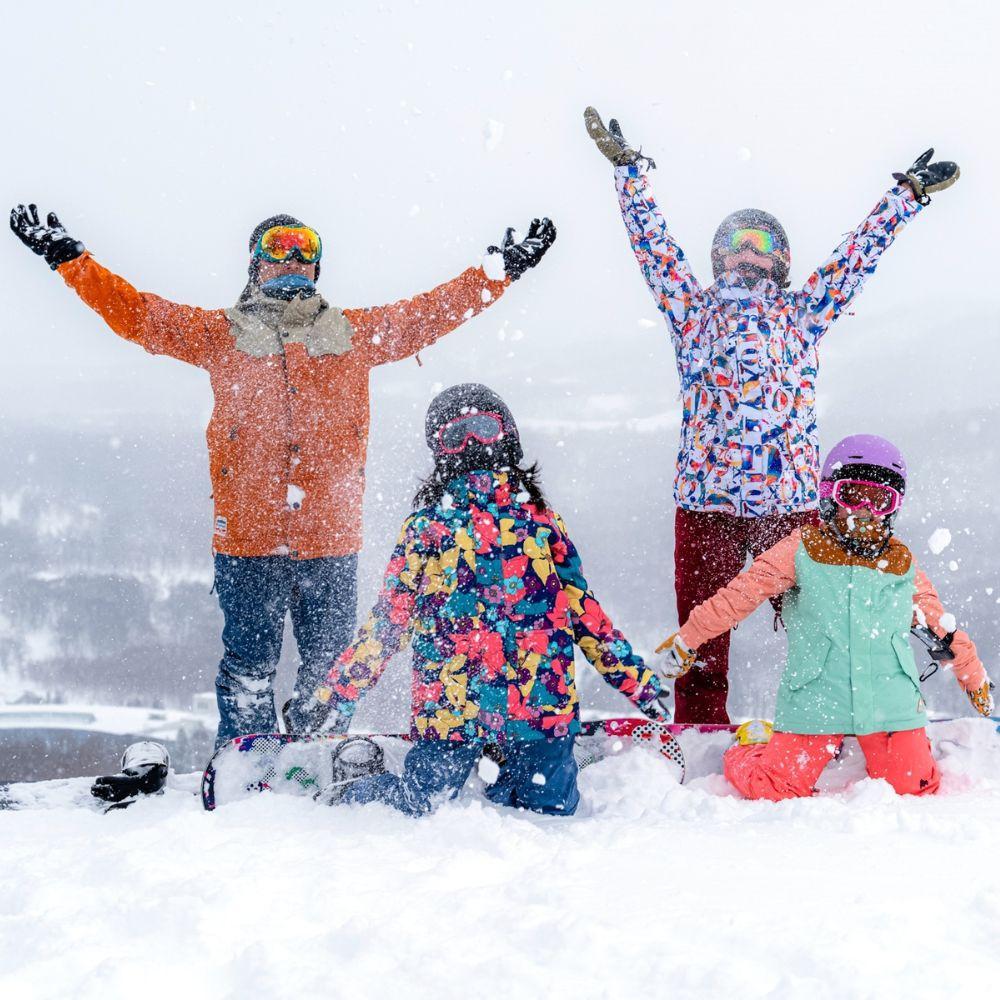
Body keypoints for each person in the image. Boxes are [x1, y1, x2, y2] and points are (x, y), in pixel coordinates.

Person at [10, 206, 556, 747]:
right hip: (248, 541)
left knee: (331, 672)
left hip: (330, 542)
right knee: (249, 669)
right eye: (277, 246)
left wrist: (498, 272)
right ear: (255, 264)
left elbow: (432, 312)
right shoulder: (219, 334)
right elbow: (138, 315)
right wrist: (71, 260)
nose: (292, 256)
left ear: (318, 266)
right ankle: (247, 769)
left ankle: (315, 762)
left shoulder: (353, 335)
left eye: (304, 247)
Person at [584, 107, 960, 724]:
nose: (749, 256)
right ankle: (700, 728)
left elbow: (855, 260)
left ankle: (843, 716)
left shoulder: (802, 313)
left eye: (762, 247)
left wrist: (906, 196)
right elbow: (653, 250)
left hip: (787, 508)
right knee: (703, 635)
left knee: (831, 622)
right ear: (717, 256)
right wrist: (629, 174)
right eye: (738, 244)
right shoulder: (693, 310)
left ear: (782, 261)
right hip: (706, 503)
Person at [299, 383, 668, 816]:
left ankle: (512, 780)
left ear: (506, 435)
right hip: (453, 708)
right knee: (421, 807)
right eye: (456, 436)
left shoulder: (540, 522)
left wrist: (636, 681)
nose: (471, 443)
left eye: (483, 428)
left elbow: (585, 613)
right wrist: (338, 692)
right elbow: (390, 621)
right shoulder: (427, 528)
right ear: (440, 451)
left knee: (550, 815)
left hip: (537, 706)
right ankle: (359, 788)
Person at [655, 435, 993, 800]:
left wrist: (974, 679)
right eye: (852, 496)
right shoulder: (802, 549)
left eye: (879, 500)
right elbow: (738, 597)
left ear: (893, 508)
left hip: (890, 704)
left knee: (916, 789)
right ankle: (752, 745)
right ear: (831, 495)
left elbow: (944, 628)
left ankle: (892, 752)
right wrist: (688, 638)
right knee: (774, 789)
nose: (864, 510)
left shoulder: (901, 563)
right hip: (816, 700)